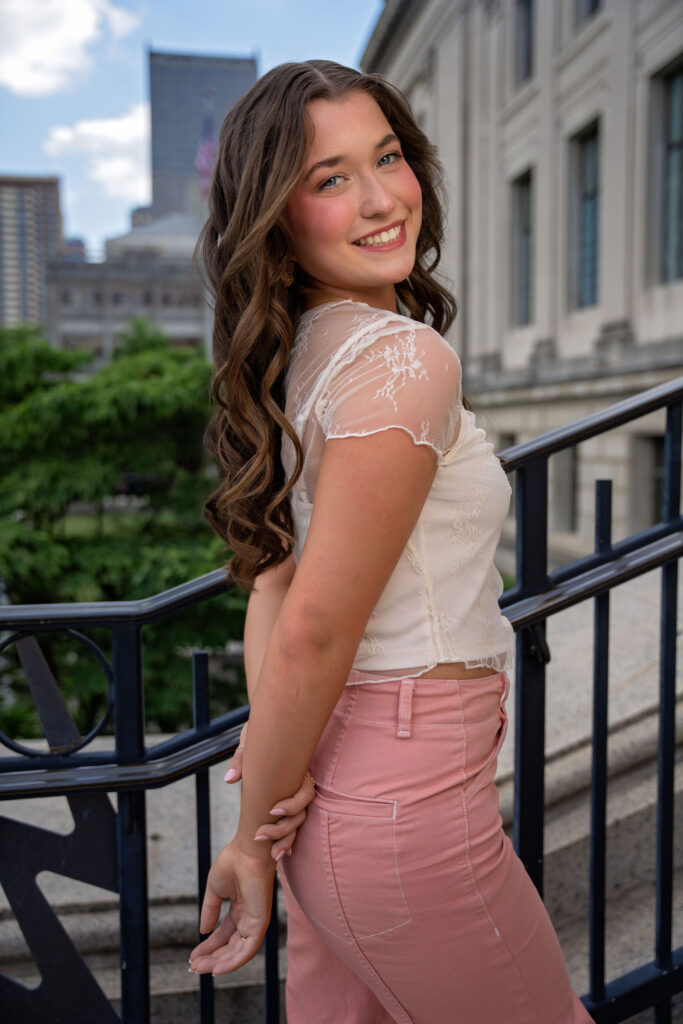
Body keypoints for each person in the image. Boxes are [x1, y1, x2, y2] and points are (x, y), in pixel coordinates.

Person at [189, 59, 594, 1024]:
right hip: (403, 810)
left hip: (339, 793)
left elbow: (272, 590)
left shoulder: (306, 359)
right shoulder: (404, 358)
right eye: (330, 179)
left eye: (389, 157)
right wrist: (249, 839)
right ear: (275, 224)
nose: (382, 199)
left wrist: (275, 784)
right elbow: (313, 627)